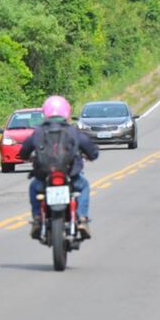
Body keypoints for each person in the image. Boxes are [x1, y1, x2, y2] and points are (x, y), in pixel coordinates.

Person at [19, 95, 99, 240]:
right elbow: (91, 150)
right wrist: (91, 155)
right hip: (70, 175)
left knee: (33, 187)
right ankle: (81, 218)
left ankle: (37, 218)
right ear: (66, 112)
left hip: (45, 176)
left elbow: (24, 151)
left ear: (46, 112)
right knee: (84, 185)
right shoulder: (73, 131)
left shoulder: (38, 132)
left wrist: (27, 156)